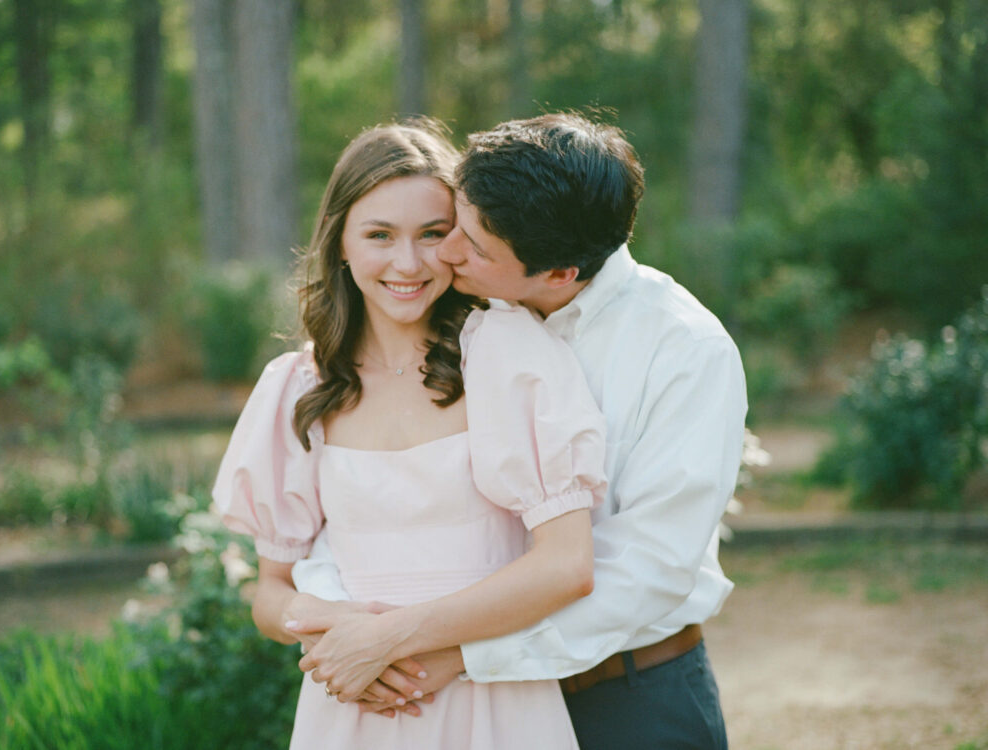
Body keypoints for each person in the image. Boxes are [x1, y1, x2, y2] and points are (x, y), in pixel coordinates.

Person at [289, 113, 747, 750]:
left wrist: (460, 653)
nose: (445, 255)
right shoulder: (473, 319)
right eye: (457, 225)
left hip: (628, 699)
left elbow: (646, 570)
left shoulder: (683, 352)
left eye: (470, 246)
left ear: (558, 273)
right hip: (474, 707)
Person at [211, 120, 609, 749]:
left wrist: (391, 639)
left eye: (432, 234)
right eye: (379, 235)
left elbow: (566, 567)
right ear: (340, 242)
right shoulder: (297, 387)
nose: (408, 263)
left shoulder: (506, 355)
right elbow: (270, 590)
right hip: (353, 705)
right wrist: (330, 626)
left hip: (494, 703)